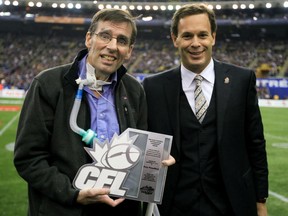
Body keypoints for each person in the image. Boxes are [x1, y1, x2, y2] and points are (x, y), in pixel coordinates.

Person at [14, 8, 174, 216]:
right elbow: (28, 158)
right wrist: (74, 194)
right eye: (105, 36)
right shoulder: (48, 84)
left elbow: (136, 153)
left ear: (130, 50)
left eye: (122, 41)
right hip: (66, 209)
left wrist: (154, 160)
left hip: (121, 209)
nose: (112, 46)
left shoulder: (135, 91)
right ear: (89, 38)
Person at [143, 3, 268, 216]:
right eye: (187, 36)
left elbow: (255, 143)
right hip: (173, 205)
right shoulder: (153, 86)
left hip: (231, 203)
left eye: (202, 35)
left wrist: (260, 201)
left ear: (213, 37)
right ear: (175, 39)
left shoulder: (241, 80)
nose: (196, 43)